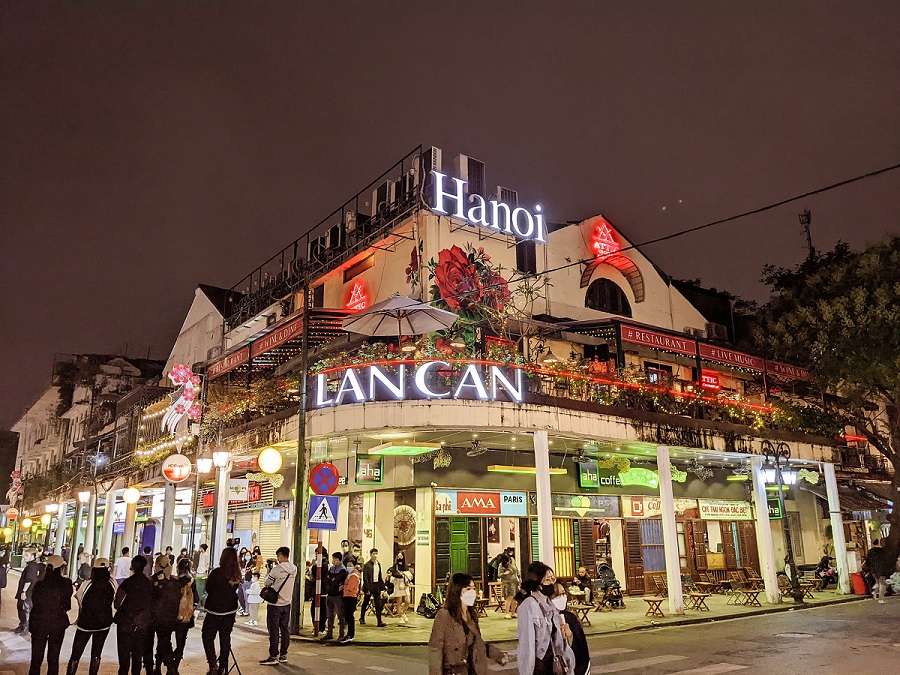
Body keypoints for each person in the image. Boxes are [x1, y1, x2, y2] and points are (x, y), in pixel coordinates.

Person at [427, 572, 508, 674]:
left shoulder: (471, 615)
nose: (473, 592)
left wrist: (497, 655)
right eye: (468, 589)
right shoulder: (444, 615)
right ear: (457, 591)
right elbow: (435, 649)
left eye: (474, 589)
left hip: (472, 670)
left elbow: (478, 644)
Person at [515, 561, 575, 675]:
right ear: (537, 583)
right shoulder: (528, 606)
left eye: (553, 578)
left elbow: (560, 641)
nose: (552, 583)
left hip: (554, 661)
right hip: (540, 665)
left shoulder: (550, 604)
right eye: (547, 580)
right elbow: (527, 645)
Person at [67, 557, 116, 675]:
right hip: (104, 624)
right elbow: (115, 598)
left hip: (86, 623)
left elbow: (80, 598)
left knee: (76, 652)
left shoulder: (88, 583)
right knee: (96, 653)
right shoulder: (112, 582)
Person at [28, 554, 73, 675]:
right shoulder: (66, 583)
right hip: (57, 623)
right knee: (53, 658)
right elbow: (67, 606)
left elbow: (35, 601)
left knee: (36, 659)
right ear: (61, 568)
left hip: (39, 622)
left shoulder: (39, 584)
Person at [201, 547, 241, 675]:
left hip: (215, 611)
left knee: (207, 636)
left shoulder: (217, 573)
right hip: (230, 611)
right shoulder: (236, 574)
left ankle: (213, 664)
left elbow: (208, 589)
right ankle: (223, 666)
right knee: (225, 637)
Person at [114, 555, 153, 675]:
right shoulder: (149, 583)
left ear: (132, 567)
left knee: (124, 654)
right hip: (142, 623)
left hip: (125, 622)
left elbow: (117, 603)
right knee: (137, 654)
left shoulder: (127, 583)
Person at [259, 546, 297, 665]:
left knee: (274, 631)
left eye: (278, 557)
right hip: (287, 603)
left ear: (280, 556)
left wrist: (269, 569)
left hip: (275, 604)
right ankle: (283, 655)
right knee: (285, 630)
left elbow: (267, 582)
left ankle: (273, 656)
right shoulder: (294, 569)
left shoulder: (276, 570)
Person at [551, 582, 590, 675]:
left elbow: (581, 646)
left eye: (563, 593)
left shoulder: (570, 617)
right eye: (556, 595)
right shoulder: (545, 619)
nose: (561, 597)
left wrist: (570, 637)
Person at [172, 558, 199, 675]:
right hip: (186, 616)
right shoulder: (192, 581)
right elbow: (196, 599)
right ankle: (175, 665)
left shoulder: (174, 580)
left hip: (173, 615)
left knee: (165, 639)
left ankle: (168, 661)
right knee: (181, 641)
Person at [15, 547, 45, 634]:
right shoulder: (33, 565)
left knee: (24, 609)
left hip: (28, 592)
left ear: (33, 556)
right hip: (29, 591)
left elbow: (29, 580)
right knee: (22, 608)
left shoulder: (31, 567)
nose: (25, 557)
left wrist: (24, 591)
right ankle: (22, 625)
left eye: (27, 555)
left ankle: (25, 627)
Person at [323, 551, 347, 640]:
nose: (334, 561)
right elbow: (327, 579)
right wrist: (331, 581)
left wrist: (332, 581)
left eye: (335, 559)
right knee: (329, 616)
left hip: (338, 596)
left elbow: (336, 581)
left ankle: (341, 634)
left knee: (340, 615)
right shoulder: (332, 568)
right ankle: (329, 633)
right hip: (330, 594)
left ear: (339, 559)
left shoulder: (342, 570)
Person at [360, 548, 386, 627]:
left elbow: (379, 576)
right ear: (371, 555)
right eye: (374, 553)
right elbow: (366, 578)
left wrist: (383, 587)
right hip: (369, 585)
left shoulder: (378, 564)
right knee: (366, 602)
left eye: (376, 553)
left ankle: (379, 621)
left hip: (376, 585)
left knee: (378, 603)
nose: (375, 555)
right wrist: (367, 588)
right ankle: (362, 618)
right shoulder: (367, 565)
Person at [340, 557, 361, 644]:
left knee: (350, 616)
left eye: (350, 564)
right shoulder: (350, 574)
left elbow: (350, 586)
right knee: (348, 616)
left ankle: (350, 635)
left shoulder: (354, 574)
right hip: (347, 595)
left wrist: (344, 587)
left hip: (351, 596)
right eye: (348, 564)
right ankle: (349, 634)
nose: (349, 566)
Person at [864, 539, 889, 604]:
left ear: (873, 544)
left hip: (873, 570)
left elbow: (867, 561)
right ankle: (881, 598)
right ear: (879, 543)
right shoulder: (882, 551)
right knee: (882, 583)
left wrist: (869, 570)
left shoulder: (870, 551)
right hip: (880, 569)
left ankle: (874, 592)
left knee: (878, 582)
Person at [498, 549, 521, 618]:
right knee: (509, 597)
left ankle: (513, 612)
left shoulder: (512, 561)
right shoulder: (501, 566)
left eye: (509, 561)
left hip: (514, 582)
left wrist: (519, 577)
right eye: (507, 562)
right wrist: (504, 573)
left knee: (515, 598)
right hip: (507, 583)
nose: (508, 563)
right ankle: (507, 613)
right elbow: (499, 575)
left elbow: (516, 569)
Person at [390, 552, 411, 624]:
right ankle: (401, 616)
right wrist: (401, 575)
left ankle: (403, 613)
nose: (400, 557)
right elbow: (394, 573)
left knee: (407, 601)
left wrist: (405, 575)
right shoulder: (395, 566)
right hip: (398, 585)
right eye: (398, 555)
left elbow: (409, 574)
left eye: (401, 555)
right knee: (399, 601)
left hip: (405, 585)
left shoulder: (405, 566)